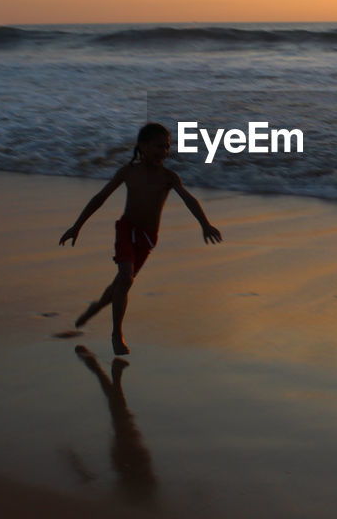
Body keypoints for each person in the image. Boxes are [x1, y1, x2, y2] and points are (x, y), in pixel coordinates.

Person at [60, 122, 221, 355]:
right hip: (127, 229)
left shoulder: (169, 177)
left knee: (120, 284)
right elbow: (100, 197)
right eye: (158, 146)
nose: (163, 152)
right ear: (142, 146)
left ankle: (95, 308)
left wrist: (205, 224)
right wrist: (77, 226)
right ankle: (117, 334)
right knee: (126, 278)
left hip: (147, 238)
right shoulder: (128, 172)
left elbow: (189, 199)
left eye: (167, 147)